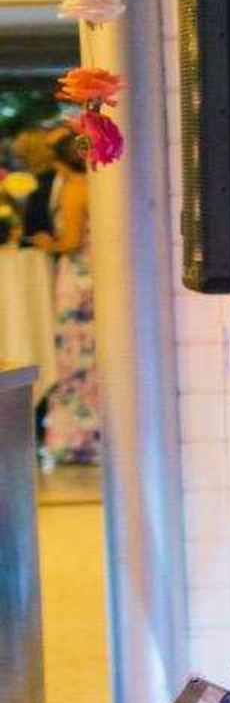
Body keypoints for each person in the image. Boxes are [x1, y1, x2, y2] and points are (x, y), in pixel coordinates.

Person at [28, 127, 97, 467]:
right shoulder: (95, 187)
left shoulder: (73, 190)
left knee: (72, 356)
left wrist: (45, 244)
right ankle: (94, 433)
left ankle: (74, 439)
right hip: (96, 276)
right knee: (92, 356)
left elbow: (69, 242)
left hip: (76, 276)